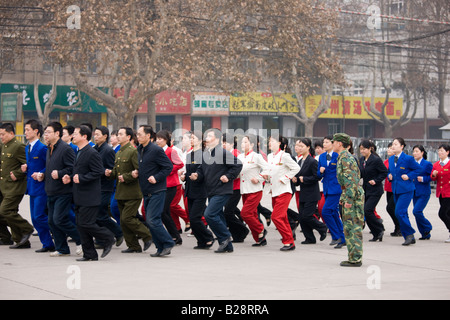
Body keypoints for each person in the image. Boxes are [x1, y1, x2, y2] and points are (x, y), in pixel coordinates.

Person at [63, 125, 115, 261]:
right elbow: (79, 171)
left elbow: (98, 172)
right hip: (79, 195)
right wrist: (70, 178)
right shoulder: (79, 151)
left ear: (84, 136)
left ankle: (108, 237)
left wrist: (81, 178)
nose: (72, 136)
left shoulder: (92, 153)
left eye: (75, 133)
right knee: (80, 225)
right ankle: (90, 254)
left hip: (90, 196)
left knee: (86, 224)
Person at [190, 128, 242, 253]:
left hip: (222, 190)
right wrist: (197, 175)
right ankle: (227, 246)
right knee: (218, 215)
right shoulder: (205, 153)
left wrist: (228, 176)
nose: (206, 138)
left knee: (209, 214)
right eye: (206, 136)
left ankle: (225, 237)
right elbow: (201, 170)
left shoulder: (222, 152)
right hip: (211, 190)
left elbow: (238, 165)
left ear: (217, 139)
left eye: (209, 136)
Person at [105, 127, 152, 253]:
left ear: (129, 137)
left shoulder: (132, 151)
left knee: (127, 218)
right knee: (122, 220)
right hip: (121, 191)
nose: (118, 136)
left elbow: (140, 171)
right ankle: (133, 245)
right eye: (117, 134)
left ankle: (148, 235)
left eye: (121, 134)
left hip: (133, 192)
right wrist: (110, 173)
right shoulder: (119, 152)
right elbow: (117, 171)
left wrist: (126, 177)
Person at [42, 122, 82, 257]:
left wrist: (59, 174)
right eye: (45, 132)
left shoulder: (65, 149)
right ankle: (62, 248)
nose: (45, 135)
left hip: (63, 191)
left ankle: (81, 240)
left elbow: (73, 168)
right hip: (51, 190)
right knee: (51, 221)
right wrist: (43, 174)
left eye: (48, 132)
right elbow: (50, 167)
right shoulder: (49, 148)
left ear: (57, 133)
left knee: (59, 219)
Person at [136, 125, 175, 257]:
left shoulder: (156, 150)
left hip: (157, 190)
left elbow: (168, 166)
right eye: (137, 134)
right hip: (146, 191)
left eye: (140, 134)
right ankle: (160, 247)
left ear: (148, 136)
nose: (138, 136)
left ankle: (168, 242)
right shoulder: (139, 149)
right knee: (150, 220)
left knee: (153, 219)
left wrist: (156, 177)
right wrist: (137, 172)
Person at [0, 123, 35, 249]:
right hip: (4, 186)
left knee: (5, 211)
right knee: (9, 212)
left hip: (15, 187)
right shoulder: (4, 146)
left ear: (11, 133)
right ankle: (21, 240)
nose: (1, 137)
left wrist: (17, 173)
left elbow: (29, 164)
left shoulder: (18, 146)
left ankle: (27, 228)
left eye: (3, 134)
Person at [22, 119, 55, 252]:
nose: (25, 133)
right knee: (35, 219)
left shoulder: (42, 148)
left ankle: (59, 232)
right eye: (25, 130)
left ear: (36, 131)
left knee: (39, 216)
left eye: (27, 130)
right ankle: (47, 244)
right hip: (32, 187)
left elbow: (49, 165)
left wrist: (41, 173)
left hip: (41, 188)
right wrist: (26, 167)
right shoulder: (27, 147)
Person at [264, 134, 300, 251]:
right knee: (283, 217)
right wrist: (266, 178)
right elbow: (270, 171)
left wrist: (285, 178)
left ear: (279, 143)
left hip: (284, 191)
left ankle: (288, 241)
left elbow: (296, 168)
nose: (270, 143)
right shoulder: (270, 156)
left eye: (272, 141)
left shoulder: (284, 156)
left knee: (276, 217)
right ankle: (290, 241)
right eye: (269, 141)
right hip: (274, 191)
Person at [333, 133, 364, 267]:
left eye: (333, 142)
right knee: (348, 227)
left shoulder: (346, 158)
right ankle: (353, 256)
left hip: (354, 196)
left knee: (353, 227)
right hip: (348, 194)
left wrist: (349, 199)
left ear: (340, 144)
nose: (332, 144)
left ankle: (356, 258)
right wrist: (344, 197)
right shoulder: (342, 157)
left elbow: (352, 181)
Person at [182, 130, 214, 249]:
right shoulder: (190, 154)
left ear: (200, 141)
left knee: (195, 218)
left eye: (193, 138)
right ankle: (201, 241)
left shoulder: (204, 154)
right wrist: (184, 176)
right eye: (190, 138)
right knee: (192, 218)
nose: (191, 140)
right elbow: (189, 171)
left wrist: (197, 176)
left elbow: (204, 171)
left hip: (200, 190)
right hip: (190, 189)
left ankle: (208, 237)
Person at [93, 126, 123, 247]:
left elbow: (113, 169)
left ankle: (118, 232)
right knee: (96, 214)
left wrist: (107, 171)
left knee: (101, 213)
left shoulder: (108, 150)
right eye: (94, 134)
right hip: (95, 186)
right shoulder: (94, 149)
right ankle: (102, 239)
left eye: (98, 134)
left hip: (105, 186)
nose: (95, 137)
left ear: (105, 136)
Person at [238, 134, 269, 246]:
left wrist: (259, 178)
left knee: (245, 214)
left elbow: (267, 168)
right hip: (244, 190)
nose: (243, 144)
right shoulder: (240, 157)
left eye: (245, 142)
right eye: (242, 142)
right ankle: (260, 239)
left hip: (255, 190)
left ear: (252, 144)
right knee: (253, 214)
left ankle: (261, 229)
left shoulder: (256, 156)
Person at [294, 138, 327, 245]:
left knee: (307, 216)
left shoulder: (312, 161)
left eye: (302, 146)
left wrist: (305, 179)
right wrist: (296, 180)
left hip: (312, 194)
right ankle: (309, 238)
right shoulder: (300, 161)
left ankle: (322, 227)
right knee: (302, 217)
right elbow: (299, 179)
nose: (299, 148)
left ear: (308, 147)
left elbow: (316, 177)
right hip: (303, 193)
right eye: (298, 146)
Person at [388, 137, 421, 246]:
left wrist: (409, 176)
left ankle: (409, 234)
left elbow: (418, 169)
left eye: (396, 144)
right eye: (393, 144)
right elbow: (390, 172)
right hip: (396, 189)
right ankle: (409, 236)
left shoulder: (408, 159)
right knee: (402, 213)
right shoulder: (391, 159)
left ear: (402, 146)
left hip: (406, 189)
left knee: (399, 212)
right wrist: (389, 176)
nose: (393, 146)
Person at [155, 130, 184, 245]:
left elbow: (180, 164)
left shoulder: (171, 151)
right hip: (160, 185)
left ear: (166, 140)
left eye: (160, 139)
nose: (158, 141)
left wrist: (168, 170)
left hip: (171, 185)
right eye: (157, 138)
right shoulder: (156, 151)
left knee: (163, 211)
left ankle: (175, 235)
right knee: (165, 212)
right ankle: (175, 236)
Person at [317, 135, 345, 248]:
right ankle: (342, 238)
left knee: (325, 212)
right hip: (327, 188)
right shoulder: (322, 157)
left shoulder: (338, 156)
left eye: (327, 142)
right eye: (323, 142)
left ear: (333, 144)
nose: (324, 144)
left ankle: (336, 236)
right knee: (333, 213)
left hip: (336, 189)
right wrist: (321, 171)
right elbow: (319, 175)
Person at [358, 139, 387, 242]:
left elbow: (384, 172)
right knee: (365, 212)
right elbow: (361, 172)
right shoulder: (361, 160)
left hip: (375, 190)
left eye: (364, 149)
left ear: (370, 148)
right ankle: (376, 233)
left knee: (368, 210)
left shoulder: (375, 160)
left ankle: (379, 228)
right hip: (365, 189)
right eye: (361, 149)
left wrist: (376, 180)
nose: (362, 151)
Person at [223, 133, 249, 242]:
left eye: (225, 143)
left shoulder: (236, 154)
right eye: (222, 143)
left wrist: (228, 175)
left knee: (228, 212)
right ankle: (237, 234)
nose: (223, 145)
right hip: (227, 187)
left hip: (236, 187)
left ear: (232, 144)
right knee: (230, 211)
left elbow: (238, 171)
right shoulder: (226, 154)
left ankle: (242, 230)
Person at [411, 145, 433, 240]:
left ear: (422, 153)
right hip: (414, 192)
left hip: (424, 192)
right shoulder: (412, 163)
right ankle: (425, 234)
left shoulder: (427, 164)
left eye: (417, 151)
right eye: (414, 151)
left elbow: (432, 176)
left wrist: (424, 179)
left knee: (417, 211)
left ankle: (428, 227)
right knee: (417, 213)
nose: (414, 153)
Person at [430, 144, 450, 243]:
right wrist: (434, 175)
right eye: (439, 151)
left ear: (447, 152)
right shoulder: (436, 164)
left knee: (442, 213)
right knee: (448, 213)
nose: (440, 153)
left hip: (449, 192)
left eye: (442, 151)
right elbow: (433, 177)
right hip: (441, 192)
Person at [383, 143, 401, 236]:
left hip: (397, 188)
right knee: (391, 208)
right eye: (388, 148)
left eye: (391, 148)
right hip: (388, 187)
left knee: (391, 208)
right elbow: (385, 172)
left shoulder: (399, 160)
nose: (389, 150)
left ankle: (400, 226)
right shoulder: (386, 161)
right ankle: (397, 227)